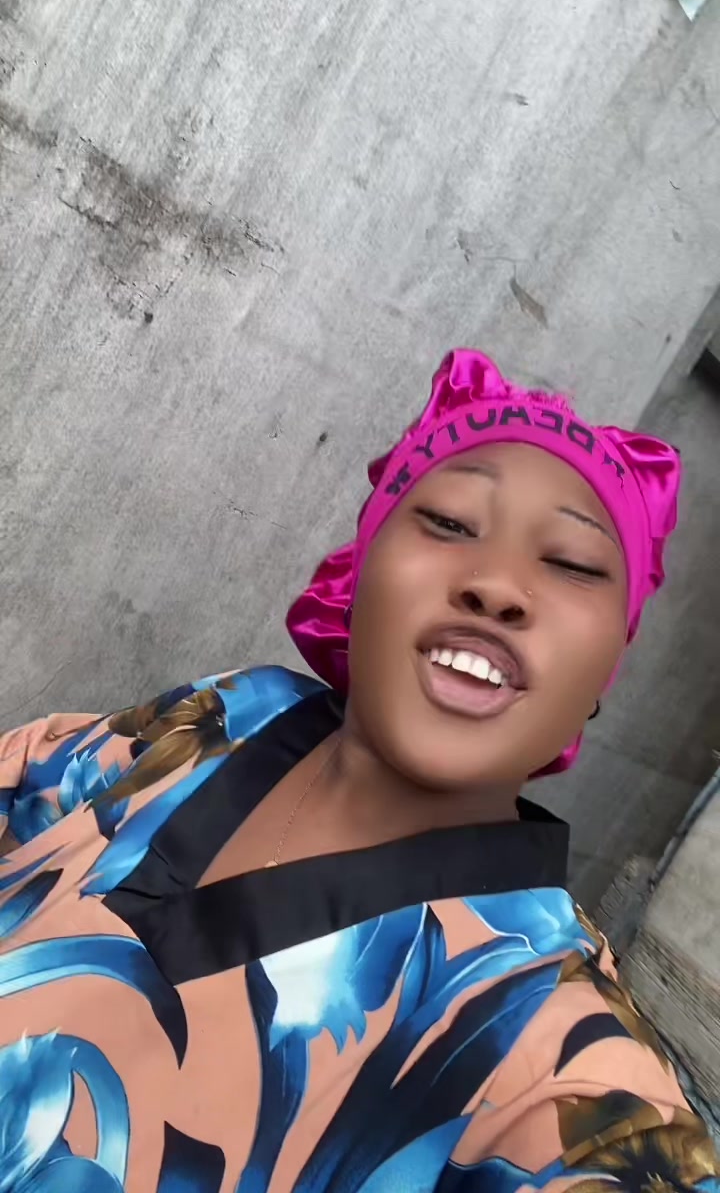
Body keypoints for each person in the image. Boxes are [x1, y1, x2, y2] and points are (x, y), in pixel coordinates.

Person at [0, 348, 717, 1193]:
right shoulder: (231, 713)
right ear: (361, 572)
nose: (496, 585)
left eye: (572, 564)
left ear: (604, 671)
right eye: (449, 522)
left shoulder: (565, 1072)